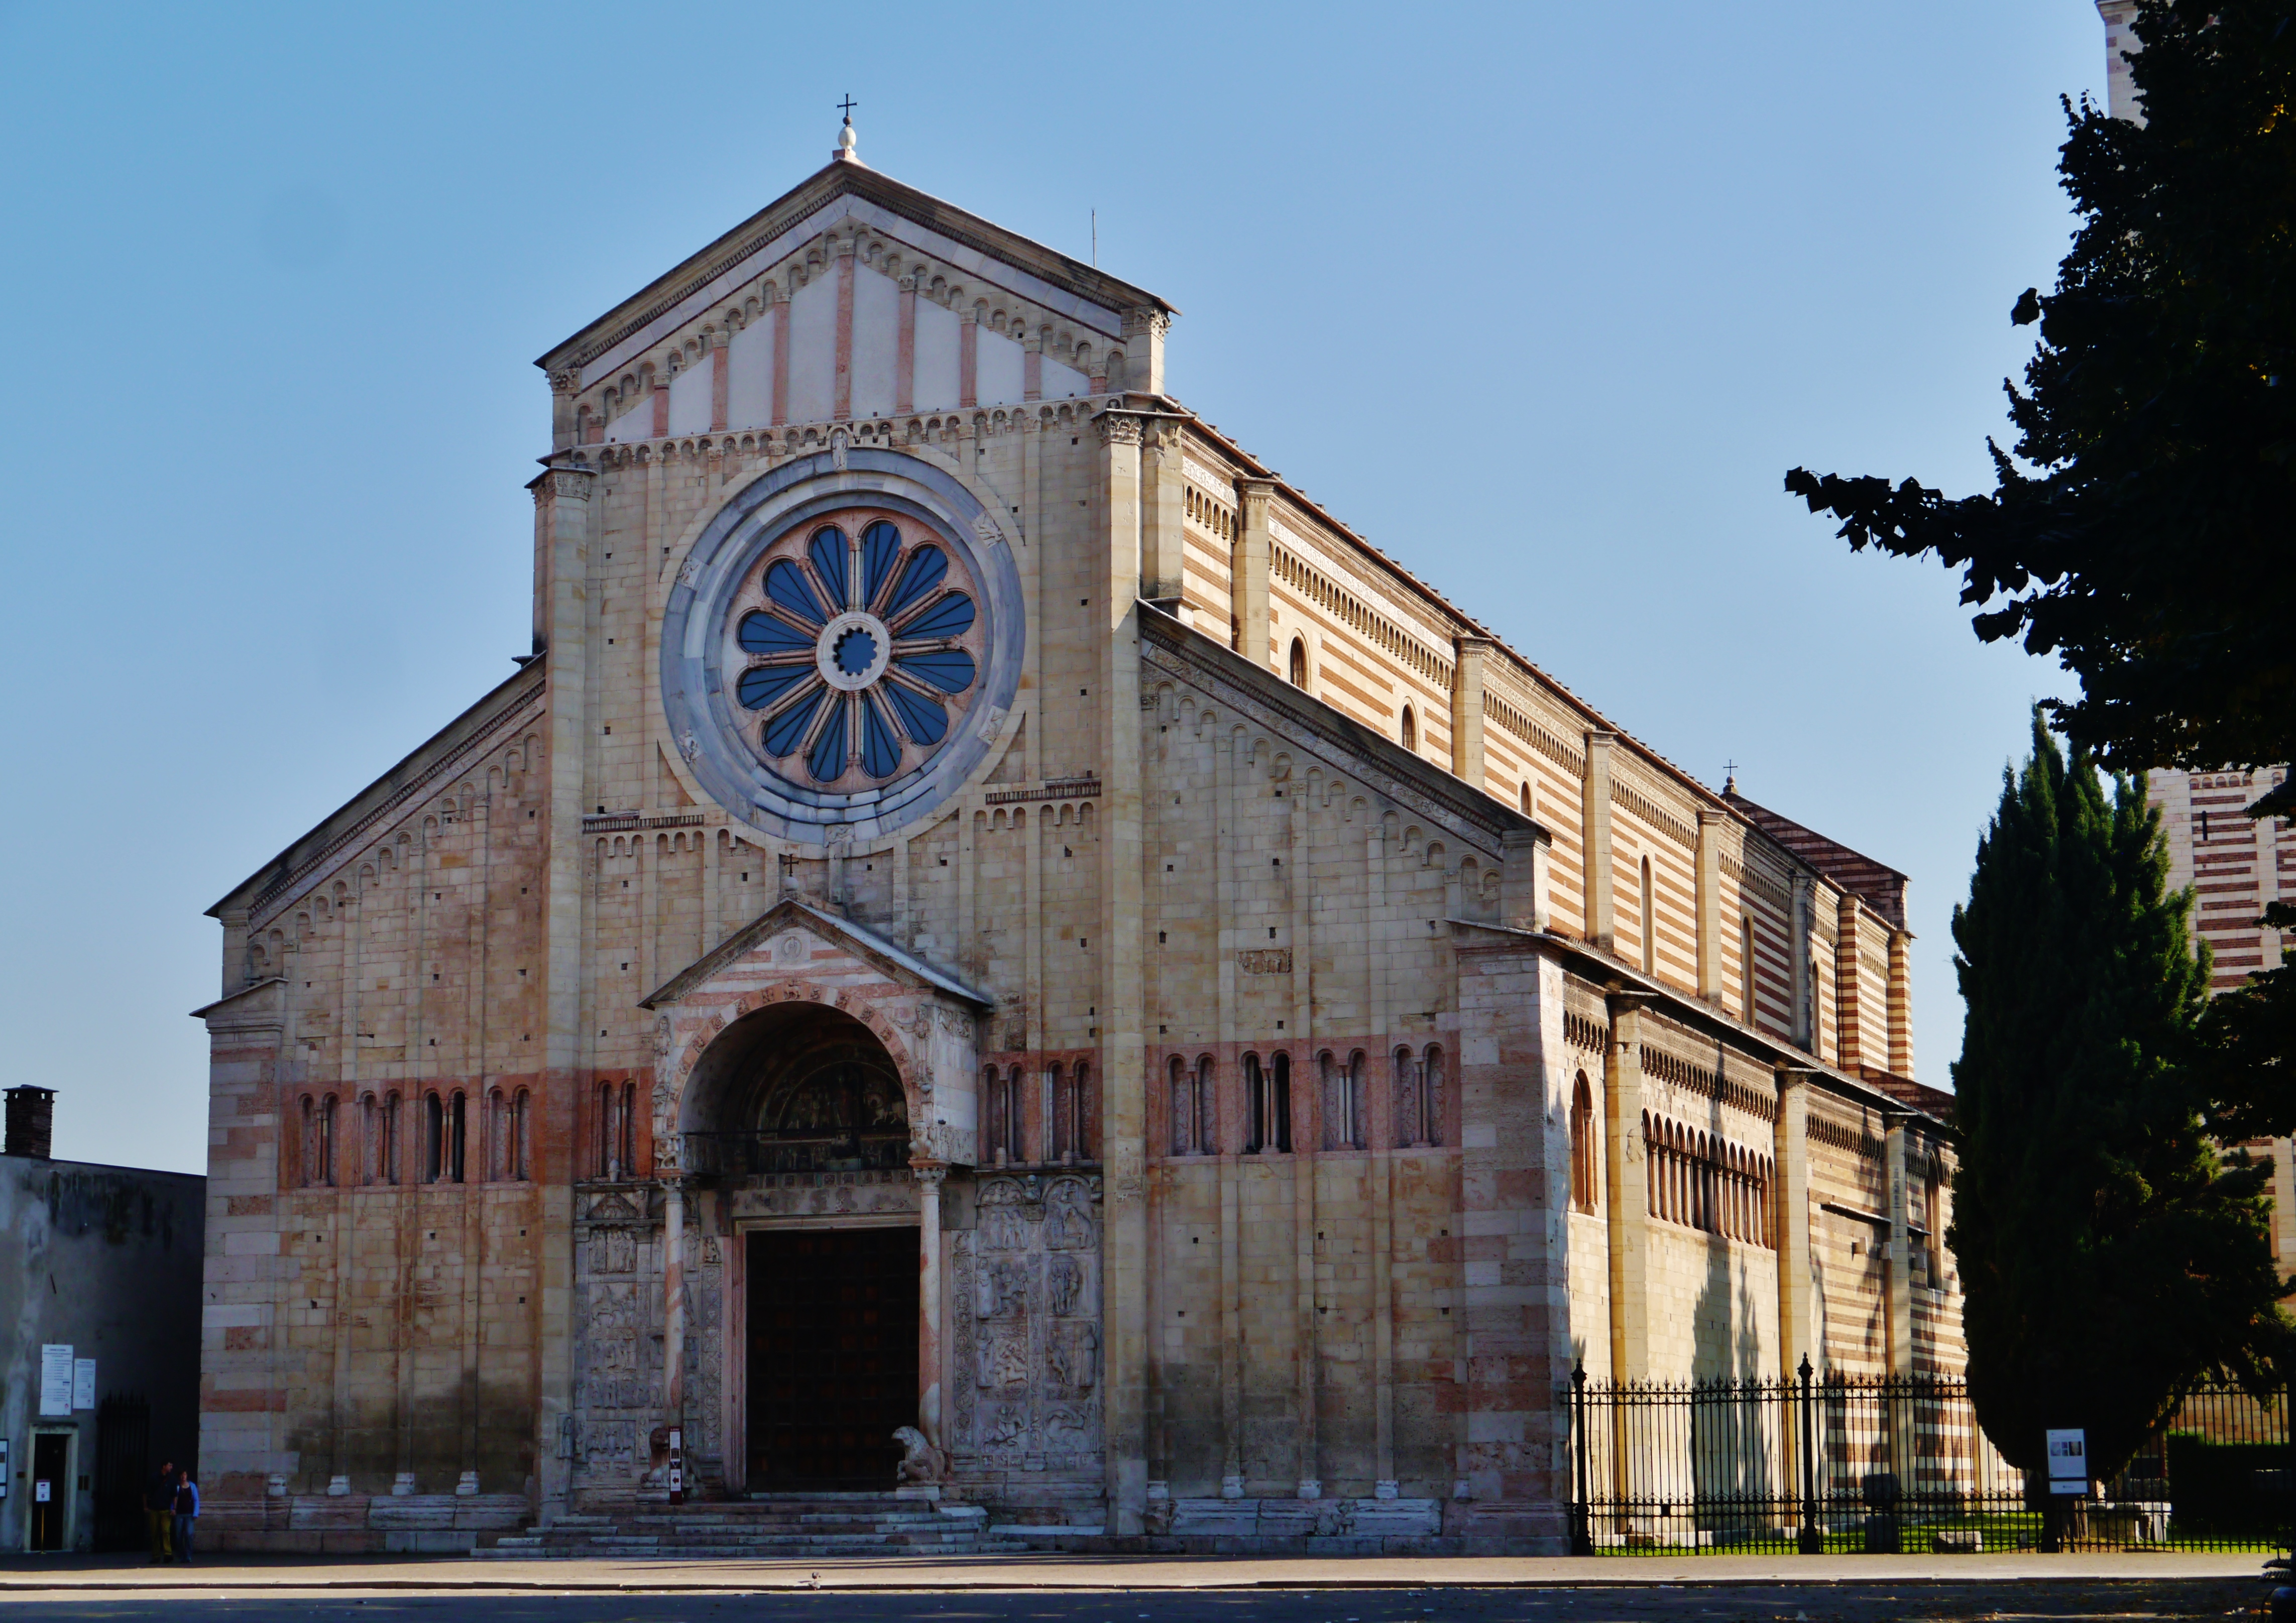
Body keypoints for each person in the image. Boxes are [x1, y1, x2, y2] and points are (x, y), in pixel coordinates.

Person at [144, 1459, 174, 1563]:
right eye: (170, 1465)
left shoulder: (172, 1479)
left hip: (166, 1509)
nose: (171, 1467)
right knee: (155, 1533)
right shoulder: (154, 1478)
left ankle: (168, 1554)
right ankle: (156, 1555)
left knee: (166, 1531)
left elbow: (175, 1495)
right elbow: (146, 1492)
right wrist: (146, 1506)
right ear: (164, 1466)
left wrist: (174, 1508)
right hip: (154, 1509)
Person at [170, 1467, 198, 1565]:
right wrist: (172, 1509)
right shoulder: (177, 1487)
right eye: (182, 1475)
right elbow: (173, 1499)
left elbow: (196, 1500)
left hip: (189, 1514)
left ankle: (188, 1555)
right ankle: (181, 1554)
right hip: (179, 1514)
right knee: (178, 1535)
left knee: (189, 1534)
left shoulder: (192, 1486)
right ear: (180, 1477)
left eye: (185, 1475)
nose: (183, 1477)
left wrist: (196, 1513)